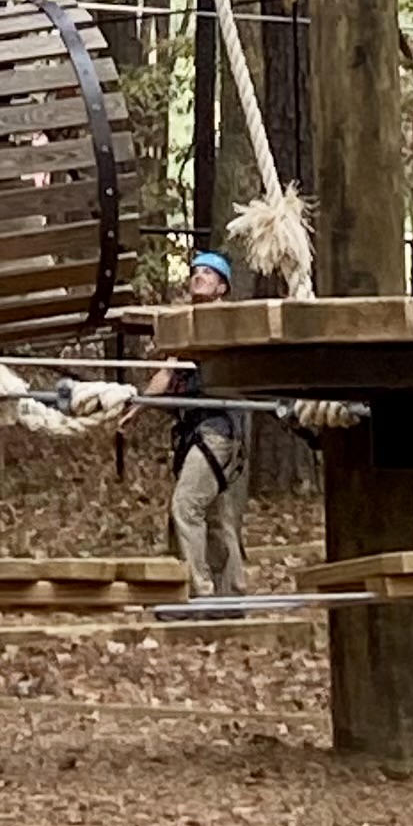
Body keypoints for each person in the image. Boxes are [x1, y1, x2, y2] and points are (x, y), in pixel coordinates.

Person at [147, 246, 251, 601]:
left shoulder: (230, 322)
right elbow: (166, 372)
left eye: (207, 274)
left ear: (222, 287)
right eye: (195, 272)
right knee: (218, 518)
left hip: (219, 431)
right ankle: (233, 592)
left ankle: (201, 591)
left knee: (186, 505)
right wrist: (136, 406)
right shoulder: (185, 326)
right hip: (196, 432)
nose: (198, 276)